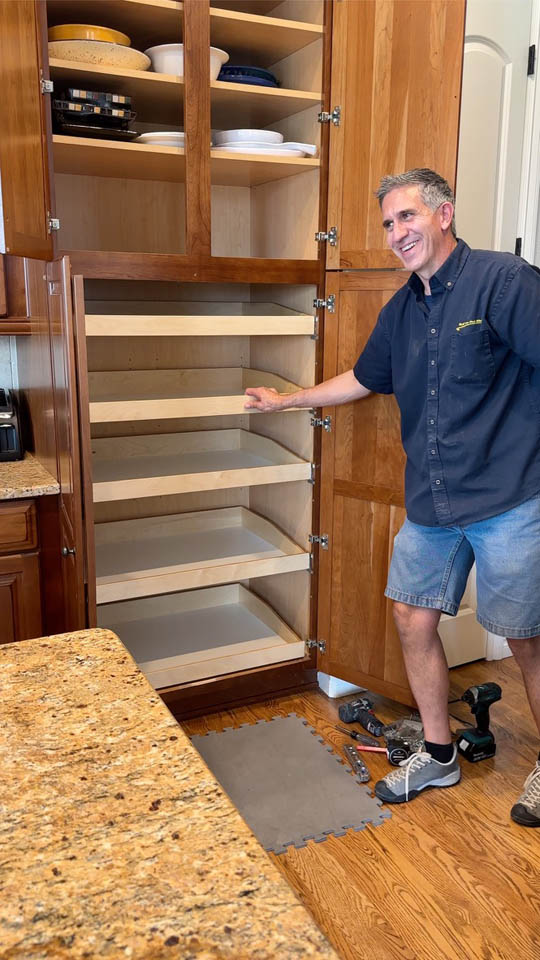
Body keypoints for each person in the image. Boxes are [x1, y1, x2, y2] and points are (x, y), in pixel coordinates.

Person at [245, 168, 540, 827]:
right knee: (412, 617)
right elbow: (363, 377)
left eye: (407, 216)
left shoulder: (504, 281)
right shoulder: (401, 310)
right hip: (434, 502)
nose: (396, 232)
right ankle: (438, 753)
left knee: (525, 638)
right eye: (387, 223)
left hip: (511, 497)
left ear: (444, 214)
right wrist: (288, 400)